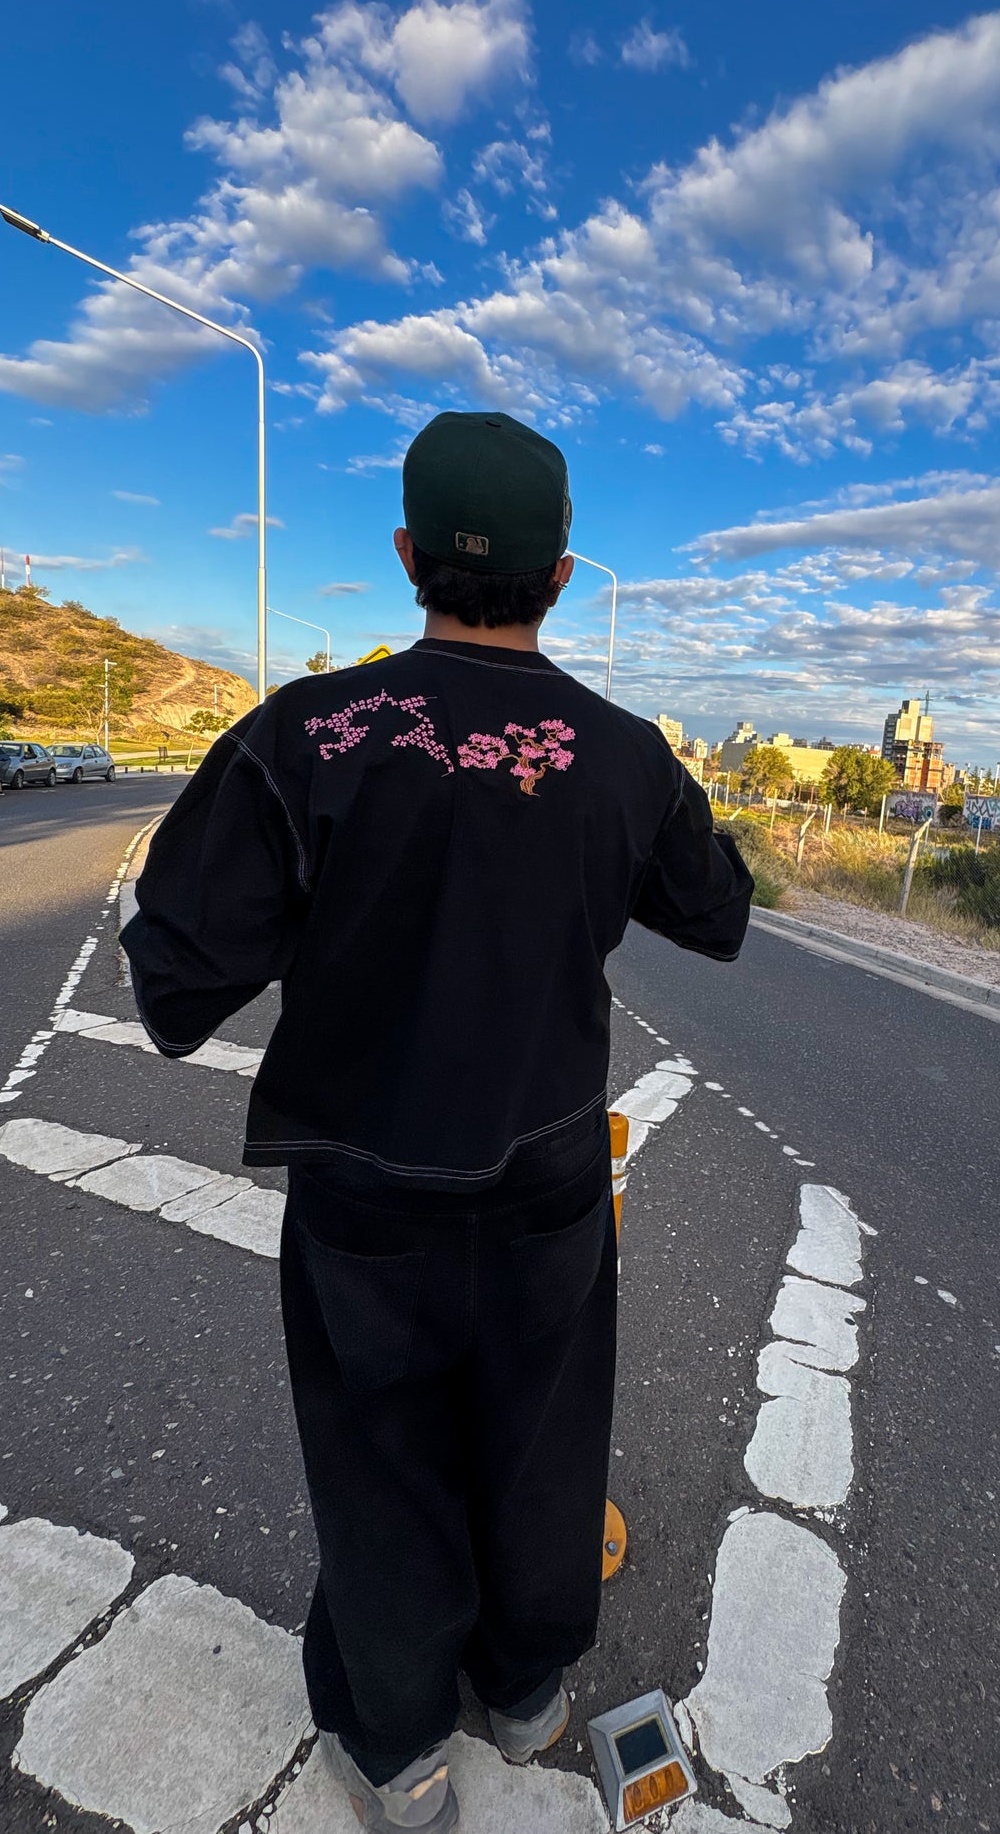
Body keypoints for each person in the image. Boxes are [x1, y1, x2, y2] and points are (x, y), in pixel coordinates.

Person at [122, 411, 752, 1832]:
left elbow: (175, 971)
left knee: (381, 1450)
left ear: (405, 554)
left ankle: (397, 1748)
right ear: (566, 574)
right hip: (545, 1170)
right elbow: (714, 911)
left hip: (364, 1180)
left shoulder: (307, 736)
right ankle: (525, 1690)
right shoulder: (623, 752)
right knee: (541, 1429)